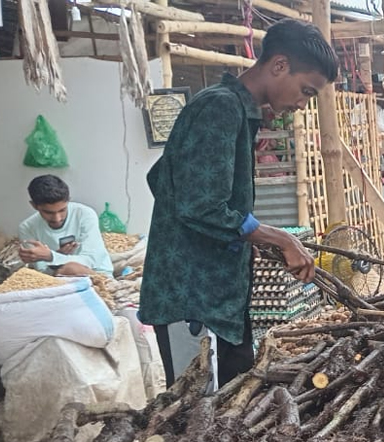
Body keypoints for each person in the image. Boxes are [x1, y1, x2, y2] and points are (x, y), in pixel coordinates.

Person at [140, 19, 336, 388]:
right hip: (192, 297)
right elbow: (200, 205)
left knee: (231, 399)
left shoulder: (240, 113)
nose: (302, 103)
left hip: (218, 296)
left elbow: (162, 178)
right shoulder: (220, 108)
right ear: (279, 65)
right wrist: (278, 238)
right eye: (306, 91)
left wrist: (235, 237)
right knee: (193, 411)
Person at [17, 175, 113, 277]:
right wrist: (58, 256)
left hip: (97, 275)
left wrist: (51, 256)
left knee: (71, 269)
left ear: (68, 201)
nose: (57, 218)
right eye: (48, 212)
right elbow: (43, 272)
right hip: (58, 280)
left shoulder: (84, 214)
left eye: (62, 210)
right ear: (34, 205)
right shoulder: (27, 228)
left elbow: (91, 260)